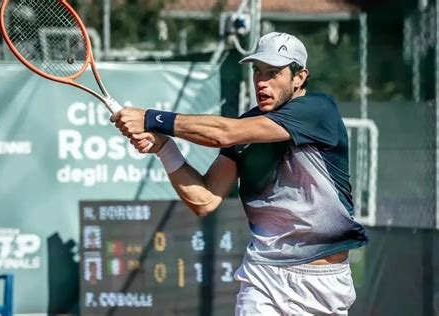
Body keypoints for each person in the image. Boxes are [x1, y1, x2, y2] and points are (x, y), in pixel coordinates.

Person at [111, 32, 368, 315]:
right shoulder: (246, 126)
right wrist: (164, 148)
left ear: (299, 77)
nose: (262, 82)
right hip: (263, 276)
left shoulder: (318, 111)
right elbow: (204, 200)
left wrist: (151, 118)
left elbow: (225, 133)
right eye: (257, 71)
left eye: (274, 73)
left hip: (323, 285)